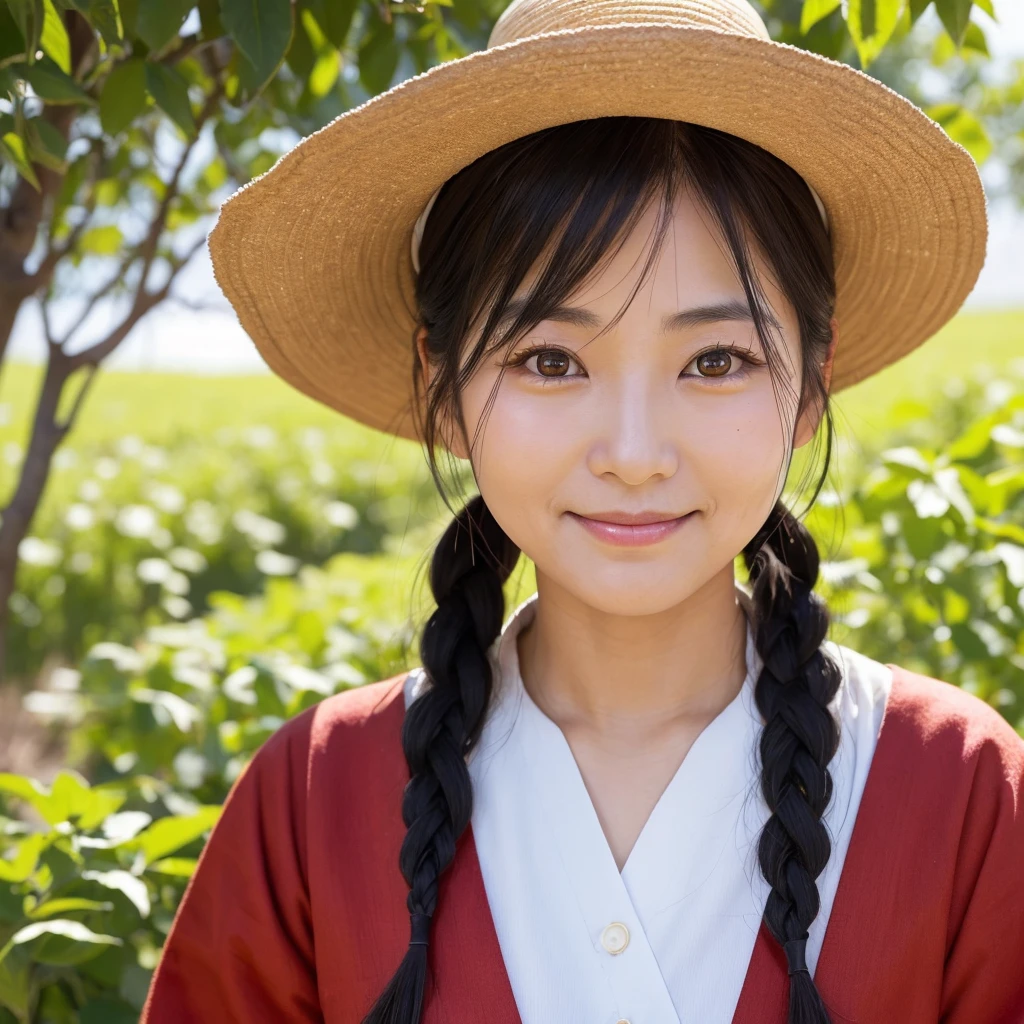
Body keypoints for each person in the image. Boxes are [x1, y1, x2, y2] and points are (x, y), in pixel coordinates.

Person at [140, 0, 1024, 1021]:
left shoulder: (955, 794)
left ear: (809, 387)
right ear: (445, 384)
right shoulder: (311, 803)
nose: (635, 455)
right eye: (550, 360)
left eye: (715, 360)